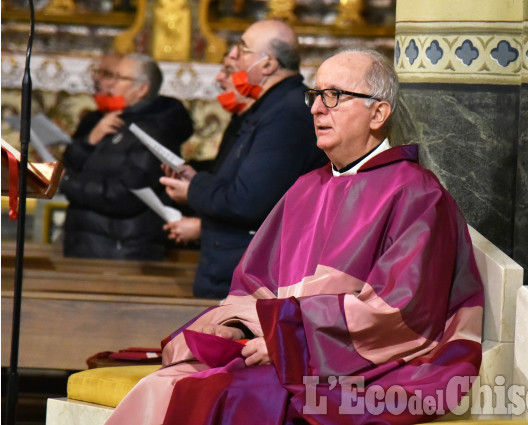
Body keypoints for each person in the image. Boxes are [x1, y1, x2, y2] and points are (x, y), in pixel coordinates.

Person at [104, 48, 484, 425]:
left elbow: (402, 312)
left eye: (335, 96)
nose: (318, 108)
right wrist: (237, 325)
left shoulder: (416, 194)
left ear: (378, 113)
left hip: (351, 366)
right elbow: (255, 284)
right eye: (316, 96)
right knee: (170, 380)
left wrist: (288, 341)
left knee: (222, 395)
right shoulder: (305, 188)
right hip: (281, 346)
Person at [160, 19, 327, 298]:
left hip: (249, 272)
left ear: (268, 65)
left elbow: (247, 201)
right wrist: (197, 178)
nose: (233, 56)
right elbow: (236, 176)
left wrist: (193, 190)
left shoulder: (287, 112)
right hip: (231, 264)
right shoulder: (269, 106)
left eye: (243, 49)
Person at [60, 53, 194, 260]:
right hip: (93, 242)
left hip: (120, 248)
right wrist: (90, 141)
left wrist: (66, 181)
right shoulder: (113, 120)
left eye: (120, 78)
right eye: (111, 76)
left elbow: (126, 195)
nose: (111, 84)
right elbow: (72, 163)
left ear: (142, 89)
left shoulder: (154, 130)